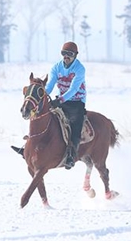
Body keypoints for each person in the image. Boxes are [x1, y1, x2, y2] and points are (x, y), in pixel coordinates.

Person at [11, 41, 87, 170]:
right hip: (61, 100)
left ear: (75, 55)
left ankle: (71, 155)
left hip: (76, 102)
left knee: (75, 125)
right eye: (64, 53)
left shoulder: (79, 69)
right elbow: (50, 84)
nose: (66, 56)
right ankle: (28, 147)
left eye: (70, 54)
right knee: (41, 117)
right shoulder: (56, 67)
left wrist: (61, 100)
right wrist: (42, 97)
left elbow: (74, 89)